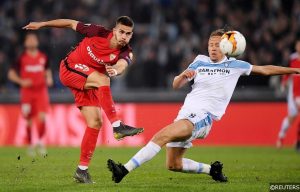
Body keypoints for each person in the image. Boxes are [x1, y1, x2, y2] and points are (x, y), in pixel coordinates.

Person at [107, 29, 300, 183]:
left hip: (203, 117)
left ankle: (123, 170)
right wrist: (183, 76)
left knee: (161, 135)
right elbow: (175, 85)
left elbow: (265, 70)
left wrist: (295, 70)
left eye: (217, 45)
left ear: (226, 47)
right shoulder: (199, 61)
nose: (213, 48)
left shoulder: (235, 66)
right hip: (185, 114)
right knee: (173, 164)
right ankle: (212, 170)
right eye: (210, 45)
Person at [23, 16, 144, 183]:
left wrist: (115, 70)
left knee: (95, 122)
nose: (124, 36)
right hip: (70, 68)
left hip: (87, 81)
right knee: (103, 80)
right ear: (114, 30)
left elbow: (122, 65)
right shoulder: (98, 31)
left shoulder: (126, 51)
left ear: (131, 35)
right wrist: (42, 24)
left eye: (128, 34)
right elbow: (70, 23)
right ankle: (118, 127)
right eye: (121, 32)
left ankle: (82, 170)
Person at [8, 32, 53, 156]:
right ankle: (30, 144)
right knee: (28, 120)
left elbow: (47, 70)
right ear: (25, 43)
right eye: (30, 39)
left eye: (34, 39)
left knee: (42, 117)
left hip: (41, 91)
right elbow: (11, 74)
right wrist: (21, 81)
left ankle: (40, 142)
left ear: (37, 42)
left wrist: (49, 78)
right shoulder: (21, 58)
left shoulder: (43, 57)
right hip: (27, 93)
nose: (32, 41)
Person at [277, 40, 300, 151]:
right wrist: (284, 82)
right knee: (292, 118)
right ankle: (282, 137)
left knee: (294, 117)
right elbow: (287, 72)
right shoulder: (292, 59)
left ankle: (296, 141)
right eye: (298, 44)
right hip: (294, 93)